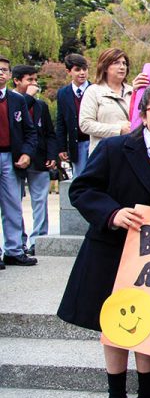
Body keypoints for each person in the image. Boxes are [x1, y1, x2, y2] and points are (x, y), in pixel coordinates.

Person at [57, 82, 150, 398]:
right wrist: (112, 213)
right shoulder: (116, 147)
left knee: (147, 326)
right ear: (143, 114)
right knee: (114, 327)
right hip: (111, 249)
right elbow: (82, 189)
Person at [11, 65, 56, 256]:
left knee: (40, 200)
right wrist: (28, 97)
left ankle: (38, 239)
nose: (34, 84)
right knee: (13, 201)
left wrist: (52, 155)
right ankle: (17, 240)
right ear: (17, 81)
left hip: (39, 159)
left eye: (35, 80)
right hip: (16, 159)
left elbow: (49, 133)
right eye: (29, 80)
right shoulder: (10, 101)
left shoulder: (40, 105)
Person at [0, 57, 37, 268]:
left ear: (10, 75)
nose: (1, 73)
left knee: (13, 204)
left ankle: (14, 250)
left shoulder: (17, 100)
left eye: (4, 70)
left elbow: (30, 131)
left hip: (11, 158)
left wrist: (27, 153)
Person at [79, 49, 133, 155]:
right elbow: (85, 124)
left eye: (124, 63)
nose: (122, 67)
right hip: (103, 153)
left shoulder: (133, 92)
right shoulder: (93, 91)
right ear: (104, 67)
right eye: (116, 63)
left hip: (130, 153)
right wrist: (118, 130)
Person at [55, 53, 91, 178]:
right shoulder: (63, 93)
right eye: (77, 70)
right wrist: (61, 147)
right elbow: (61, 122)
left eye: (84, 69)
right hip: (77, 143)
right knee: (80, 178)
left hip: (95, 140)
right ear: (69, 71)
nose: (82, 73)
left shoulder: (95, 89)